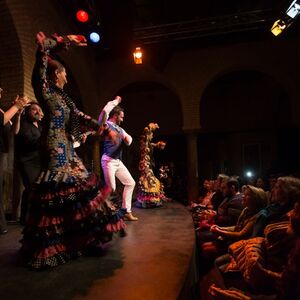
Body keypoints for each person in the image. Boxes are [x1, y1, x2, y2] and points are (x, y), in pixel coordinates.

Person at [20, 32, 126, 269]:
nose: (67, 78)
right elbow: (40, 61)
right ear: (57, 75)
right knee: (59, 194)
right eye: (65, 74)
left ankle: (78, 240)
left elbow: (81, 116)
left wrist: (102, 128)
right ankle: (52, 247)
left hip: (67, 146)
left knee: (80, 190)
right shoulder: (45, 92)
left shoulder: (66, 100)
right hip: (54, 148)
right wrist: (60, 42)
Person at [99, 101, 137, 221]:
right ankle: (109, 214)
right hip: (108, 161)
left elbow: (129, 140)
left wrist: (126, 138)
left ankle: (126, 211)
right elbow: (104, 112)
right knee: (112, 189)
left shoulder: (120, 129)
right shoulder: (107, 124)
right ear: (115, 115)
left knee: (130, 183)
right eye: (121, 116)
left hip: (117, 161)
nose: (123, 118)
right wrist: (115, 102)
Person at [0, 87, 30, 234]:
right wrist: (17, 105)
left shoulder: (1, 111)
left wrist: (17, 114)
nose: (1, 89)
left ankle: (1, 225)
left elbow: (13, 132)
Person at [13, 102, 44, 225]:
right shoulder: (24, 123)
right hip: (27, 161)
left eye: (39, 109)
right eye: (34, 110)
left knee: (32, 189)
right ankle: (27, 219)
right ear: (27, 111)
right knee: (31, 187)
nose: (37, 112)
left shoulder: (40, 126)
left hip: (38, 160)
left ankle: (26, 217)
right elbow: (21, 136)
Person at [136, 122, 167, 208]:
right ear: (148, 135)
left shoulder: (149, 143)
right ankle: (147, 201)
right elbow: (146, 133)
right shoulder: (144, 143)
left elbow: (154, 144)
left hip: (148, 164)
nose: (152, 136)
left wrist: (159, 144)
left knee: (150, 181)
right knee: (149, 181)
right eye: (151, 135)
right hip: (145, 164)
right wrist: (151, 127)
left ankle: (149, 200)